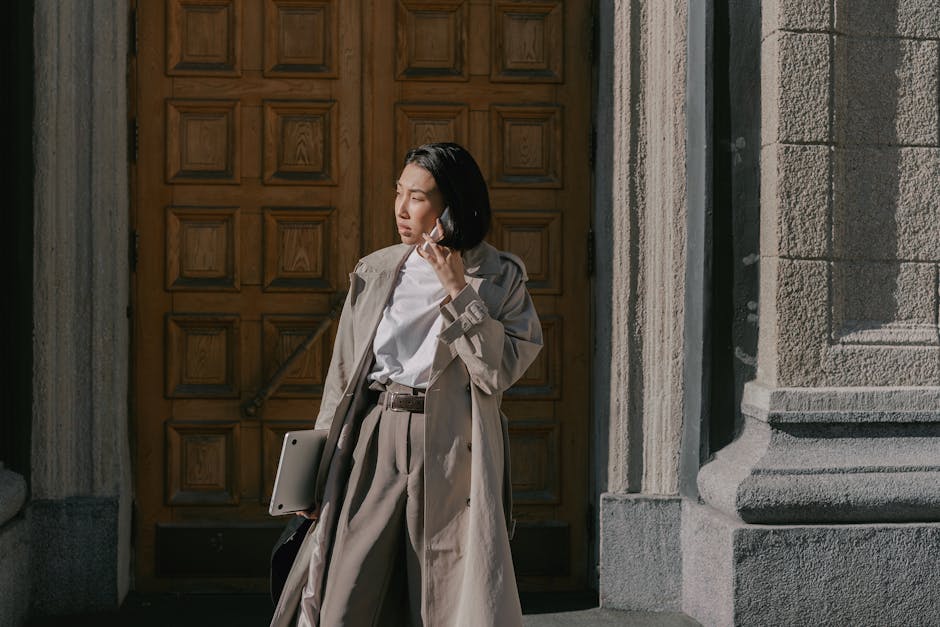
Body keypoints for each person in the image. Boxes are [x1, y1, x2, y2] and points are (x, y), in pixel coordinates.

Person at [270, 142, 542, 627]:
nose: (400, 208)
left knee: (441, 596)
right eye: (399, 192)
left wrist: (458, 290)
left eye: (416, 197)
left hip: (453, 446)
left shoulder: (499, 277)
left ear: (452, 205)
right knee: (347, 593)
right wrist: (317, 467)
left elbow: (498, 370)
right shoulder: (376, 270)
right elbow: (342, 376)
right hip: (374, 436)